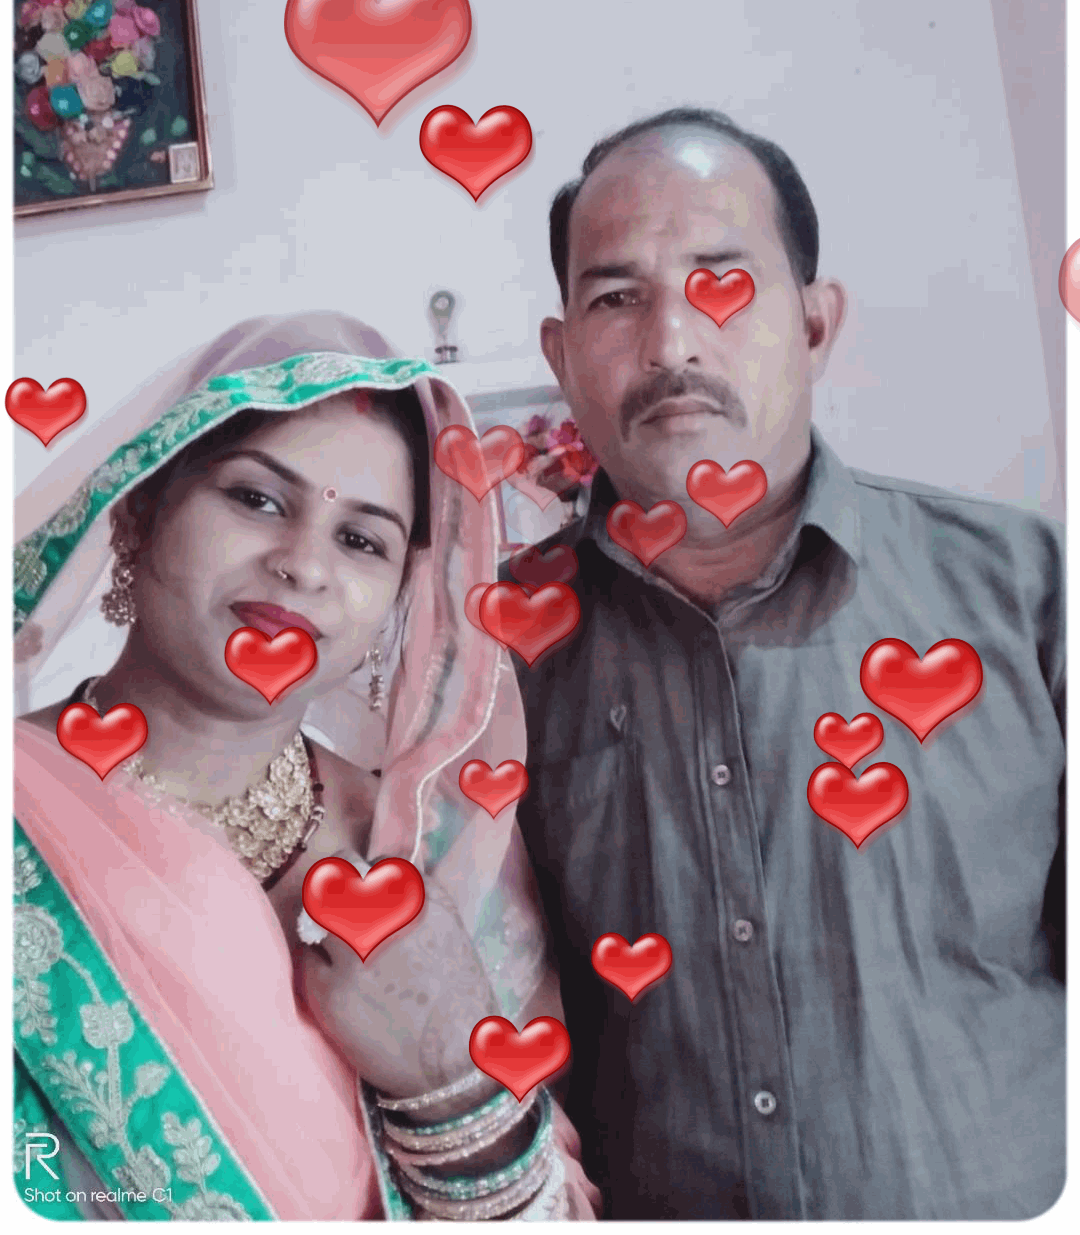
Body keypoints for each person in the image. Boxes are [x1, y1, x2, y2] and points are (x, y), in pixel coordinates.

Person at [507, 108, 1065, 1220]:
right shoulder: (494, 651)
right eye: (616, 299)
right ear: (562, 356)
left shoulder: (1025, 591)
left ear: (813, 323)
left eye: (721, 281)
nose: (673, 344)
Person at [13, 311, 599, 1221]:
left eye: (361, 540)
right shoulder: (23, 811)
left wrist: (448, 1080)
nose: (302, 566)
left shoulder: (424, 846)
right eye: (256, 498)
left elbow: (557, 1207)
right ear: (141, 508)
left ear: (398, 598)